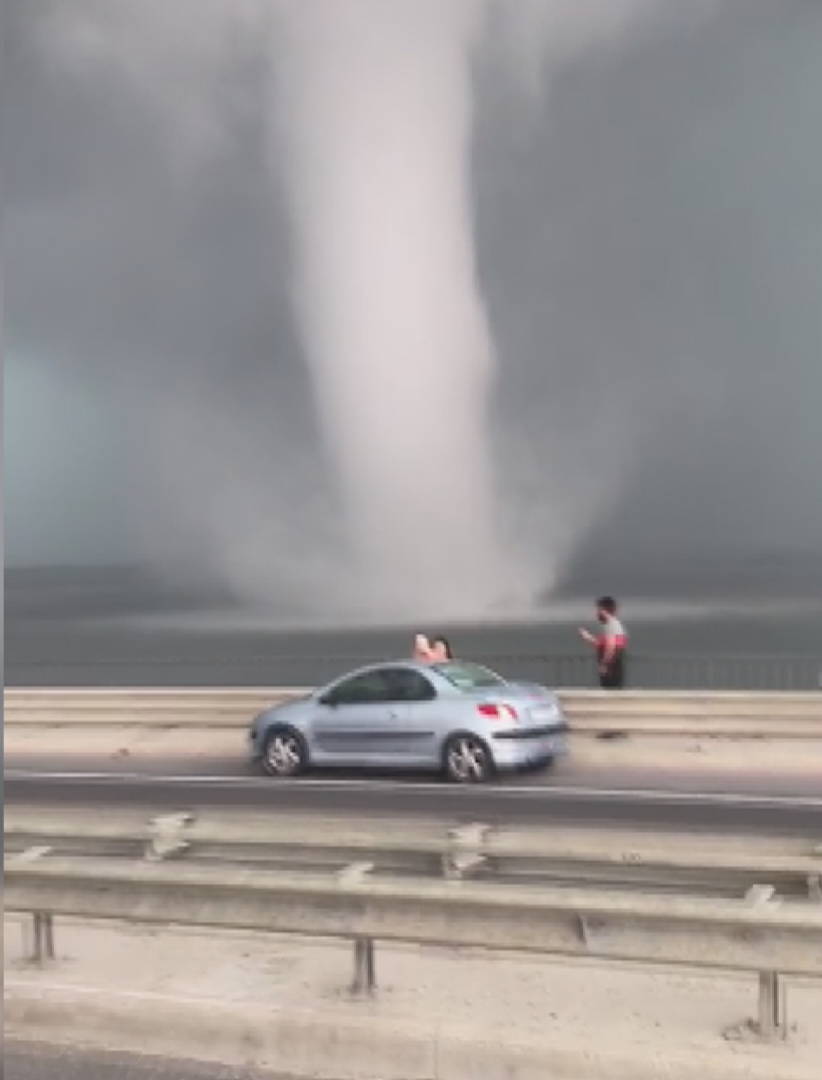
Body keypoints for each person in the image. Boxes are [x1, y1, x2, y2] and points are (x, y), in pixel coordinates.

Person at [579, 596, 627, 689]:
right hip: (614, 665)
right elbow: (603, 644)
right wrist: (588, 637)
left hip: (612, 667)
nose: (597, 613)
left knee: (610, 691)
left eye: (599, 609)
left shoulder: (611, 624)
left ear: (604, 610)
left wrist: (604, 665)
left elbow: (611, 646)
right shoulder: (613, 624)